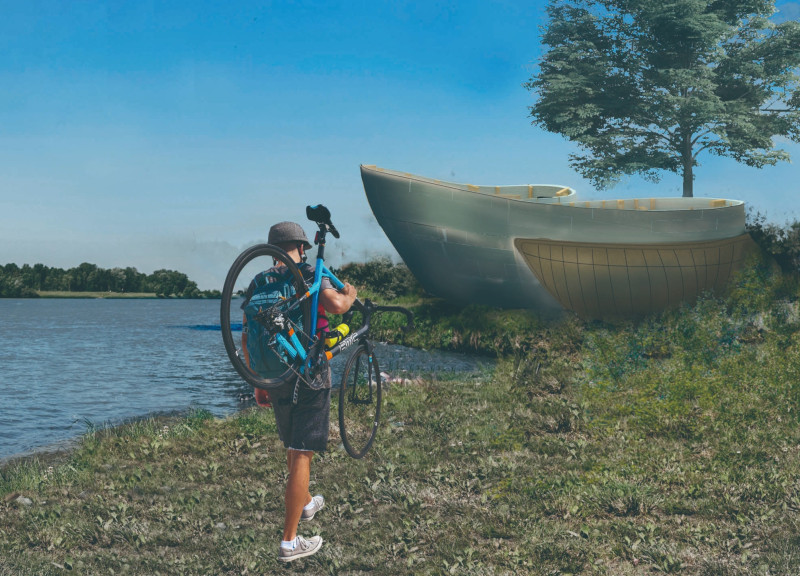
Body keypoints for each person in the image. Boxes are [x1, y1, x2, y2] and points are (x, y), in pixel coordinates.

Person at [245, 220, 357, 563]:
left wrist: (256, 381)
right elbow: (334, 305)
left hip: (273, 373)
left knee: (293, 444)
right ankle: (290, 542)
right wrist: (350, 294)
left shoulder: (258, 281)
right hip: (307, 373)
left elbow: (248, 334)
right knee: (302, 450)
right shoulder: (308, 271)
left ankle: (305, 502)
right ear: (301, 247)